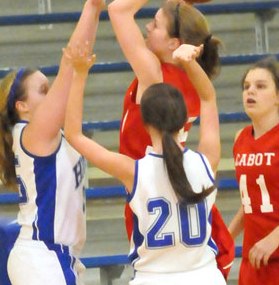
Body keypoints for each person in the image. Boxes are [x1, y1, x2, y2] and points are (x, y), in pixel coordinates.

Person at [107, 0, 234, 278]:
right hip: (178, 195)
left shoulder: (154, 73)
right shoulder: (190, 76)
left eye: (155, 24)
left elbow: (119, 10)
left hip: (148, 194)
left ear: (174, 41)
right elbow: (175, 23)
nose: (147, 27)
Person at [0, 0, 114, 285]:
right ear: (23, 106)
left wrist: (95, 8)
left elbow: (74, 66)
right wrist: (92, 7)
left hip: (57, 255)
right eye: (43, 91)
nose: (53, 95)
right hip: (39, 256)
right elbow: (70, 65)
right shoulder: (32, 135)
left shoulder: (47, 134)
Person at [64, 40, 226, 284]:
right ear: (184, 120)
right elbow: (208, 97)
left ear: (145, 122)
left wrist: (80, 73)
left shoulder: (133, 171)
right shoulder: (206, 161)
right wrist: (189, 63)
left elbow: (74, 135)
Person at [229, 57, 279, 285]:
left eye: (260, 86)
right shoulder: (239, 139)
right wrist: (224, 239)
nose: (251, 91)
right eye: (246, 86)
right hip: (254, 262)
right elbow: (250, 203)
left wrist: (276, 237)